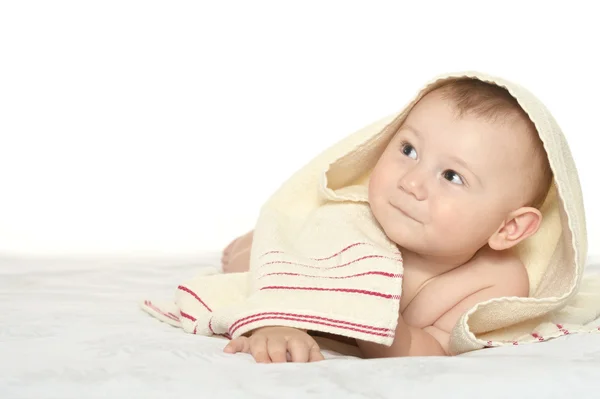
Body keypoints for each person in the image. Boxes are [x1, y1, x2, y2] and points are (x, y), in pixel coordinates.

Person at [220, 78, 553, 362]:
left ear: (509, 228)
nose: (411, 182)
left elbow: (434, 349)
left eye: (452, 176)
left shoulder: (495, 281)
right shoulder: (349, 223)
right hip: (293, 245)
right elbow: (285, 284)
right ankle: (242, 244)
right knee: (250, 258)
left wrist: (375, 313)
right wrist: (277, 324)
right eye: (409, 150)